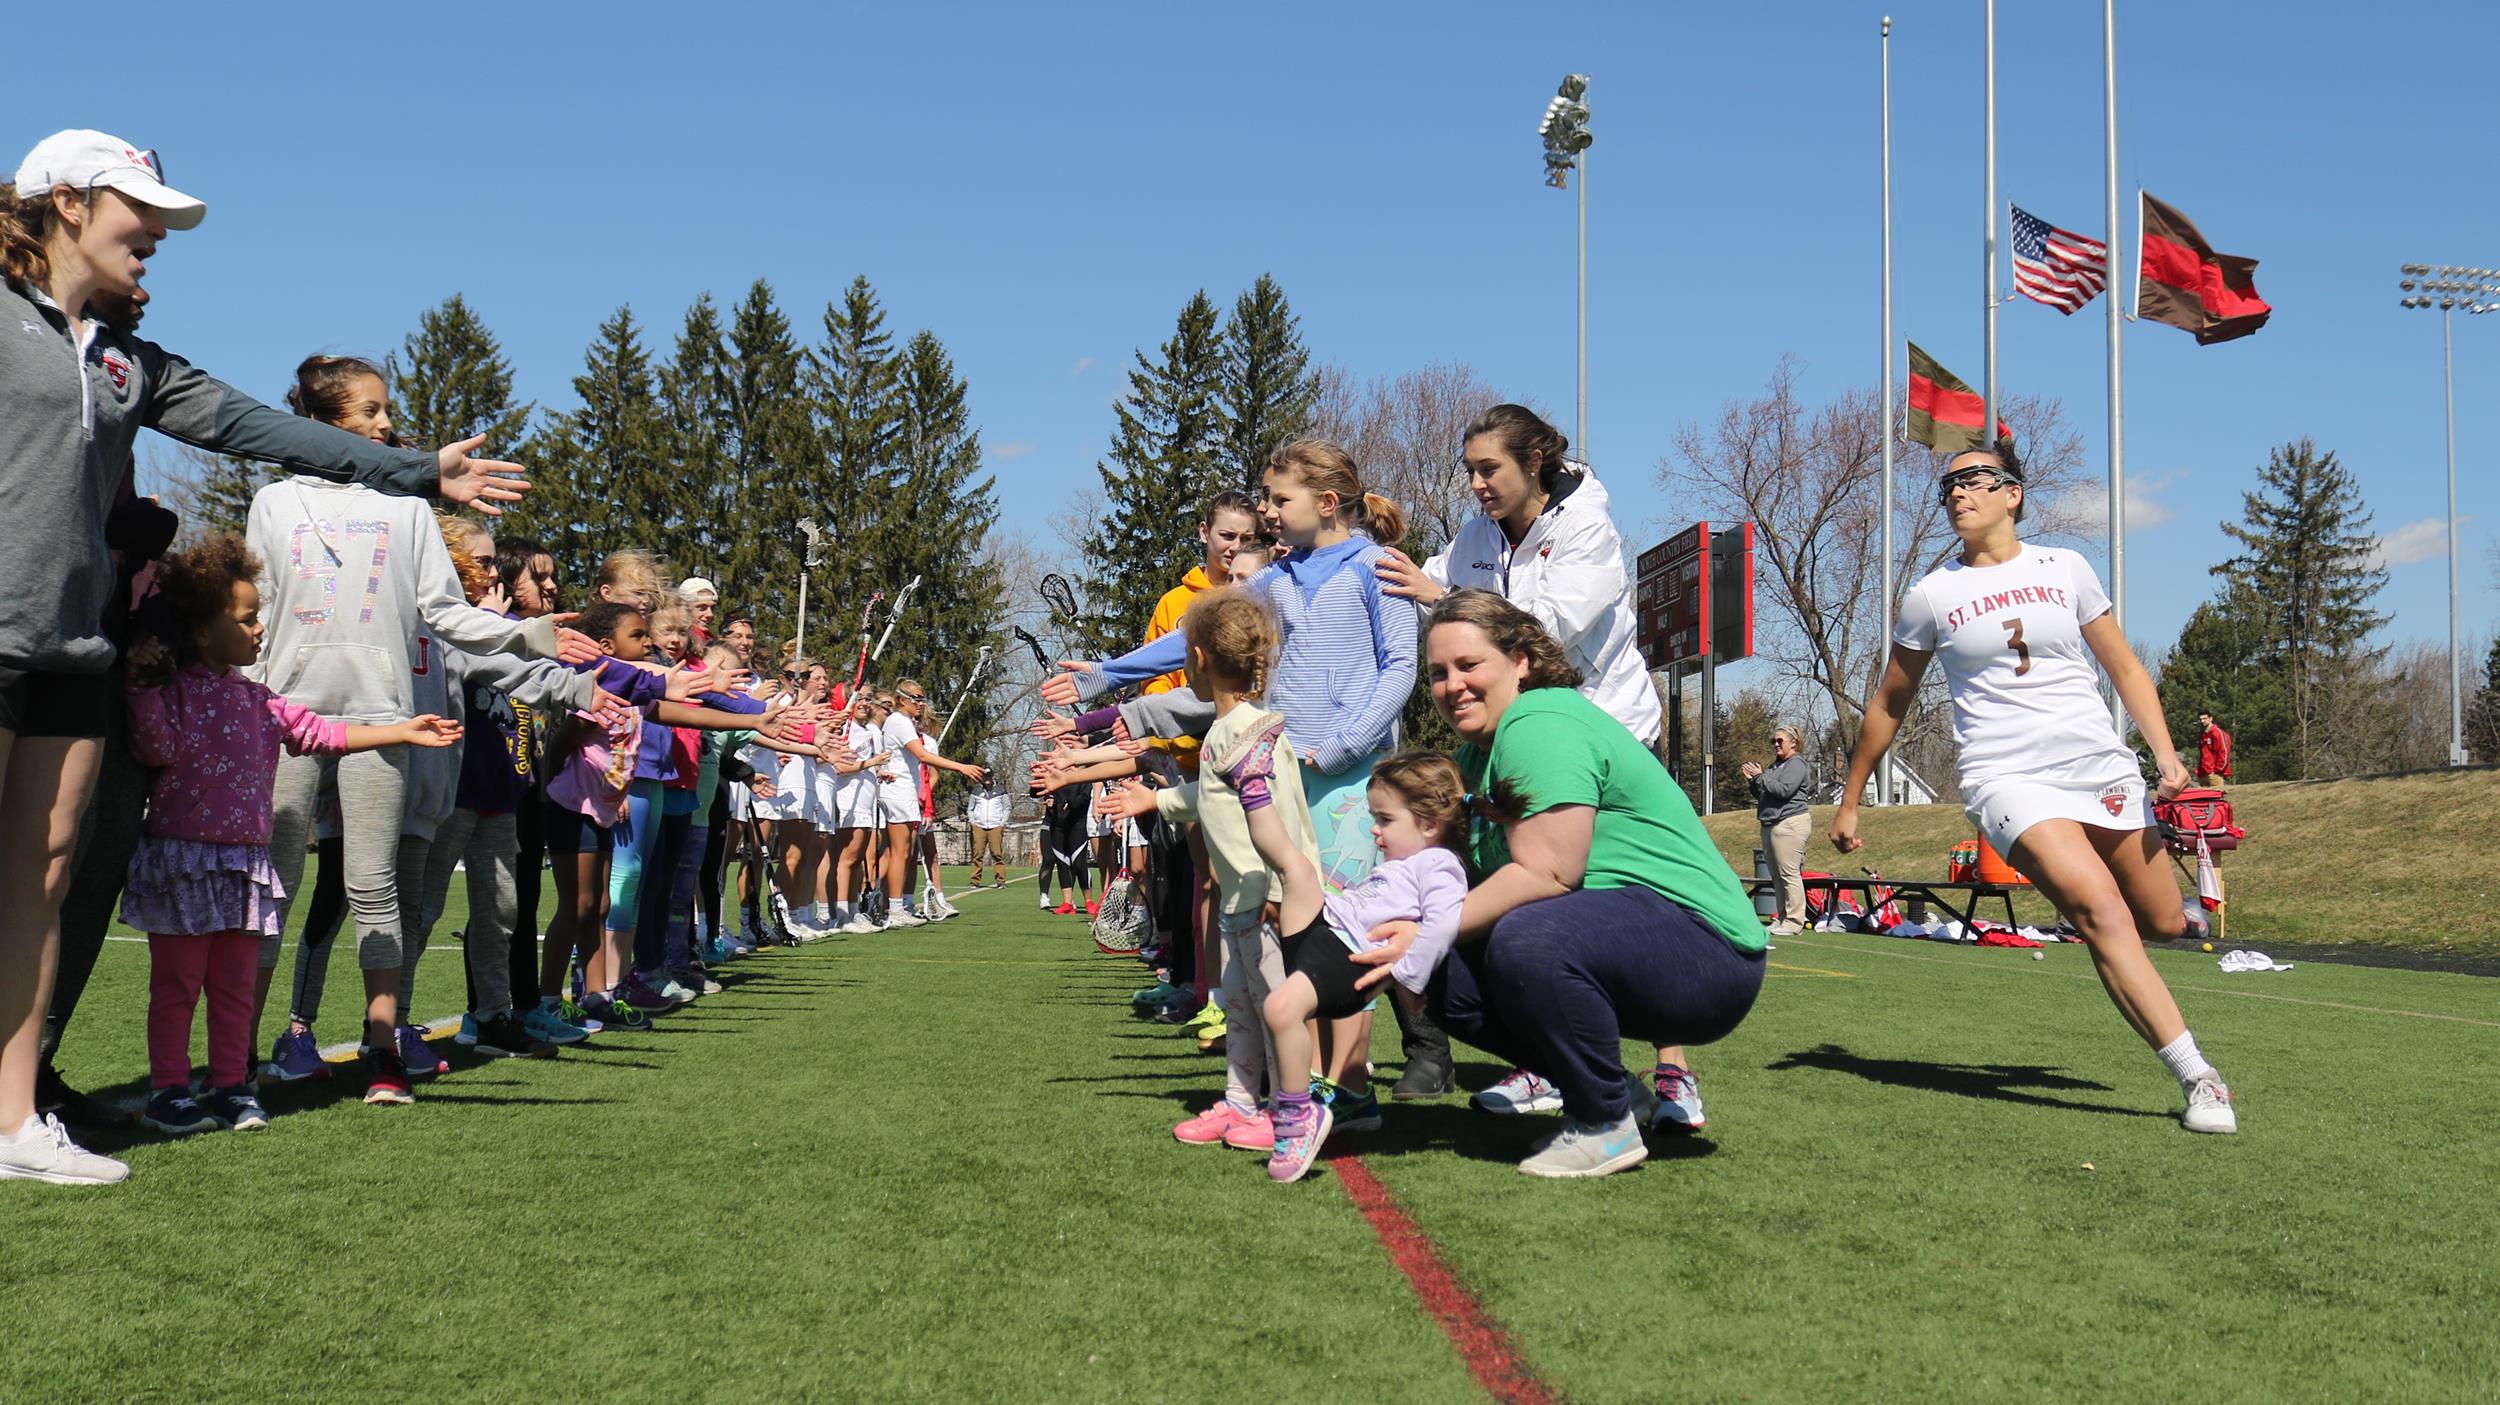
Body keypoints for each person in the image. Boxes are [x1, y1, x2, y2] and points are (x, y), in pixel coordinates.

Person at [0, 131, 522, 1184]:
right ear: (64, 204)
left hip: (73, 647)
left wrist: (414, 469)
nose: (153, 238)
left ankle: (12, 1123)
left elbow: (257, 428)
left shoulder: (124, 360)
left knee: (40, 878)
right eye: (136, 214)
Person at [1831, 445, 2238, 1135]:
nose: (1958, 493)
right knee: (2099, 909)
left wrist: (2167, 756)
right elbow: (1888, 701)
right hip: (2006, 776)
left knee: (2162, 922)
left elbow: (2127, 669)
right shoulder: (1933, 593)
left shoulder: (2066, 568)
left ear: (2012, 493)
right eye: (1948, 485)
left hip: (2098, 767)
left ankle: (2185, 911)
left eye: (1973, 480)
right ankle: (2201, 1076)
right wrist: (1850, 796)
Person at [1359, 591, 1767, 1178]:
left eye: (1470, 665)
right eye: (1438, 673)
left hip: (1709, 952)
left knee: (1525, 936)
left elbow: (1550, 873)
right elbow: (1443, 883)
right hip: (1626, 942)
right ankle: (1615, 1092)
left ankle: (1603, 1125)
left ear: (1521, 660)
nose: (1453, 686)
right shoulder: (1472, 759)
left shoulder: (1539, 720)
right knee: (1441, 973)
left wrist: (1424, 931)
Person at [1373, 403, 1696, 1116]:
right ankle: (1554, 1059)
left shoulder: (1589, 529)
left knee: (1628, 901)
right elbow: (1420, 580)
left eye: (1490, 469)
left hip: (1609, 735)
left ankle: (1673, 1074)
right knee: (1535, 909)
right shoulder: (1476, 536)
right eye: (1470, 472)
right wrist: (1352, 557)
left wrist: (1446, 597)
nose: (1477, 485)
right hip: (1527, 743)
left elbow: (1547, 626)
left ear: (1535, 464)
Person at [122, 535, 460, 1134]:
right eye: (247, 619)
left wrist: (400, 732)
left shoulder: (260, 701)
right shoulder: (169, 693)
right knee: (176, 988)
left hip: (245, 866)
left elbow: (325, 735)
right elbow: (155, 747)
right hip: (182, 863)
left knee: (232, 988)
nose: (259, 630)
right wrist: (142, 689)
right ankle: (168, 1092)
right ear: (201, 632)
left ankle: (232, 1085)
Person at [1097, 588, 1322, 1157]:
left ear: (1196, 658)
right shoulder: (1226, 731)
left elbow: (1286, 820)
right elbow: (1214, 795)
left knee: (1273, 1008)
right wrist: (1157, 803)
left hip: (1267, 902)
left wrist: (1279, 890)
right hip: (1240, 901)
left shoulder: (1253, 730)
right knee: (1242, 1007)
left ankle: (1283, 1108)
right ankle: (1242, 1103)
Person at [1743, 726, 1812, 938]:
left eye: (1780, 740)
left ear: (1793, 743)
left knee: (1789, 873)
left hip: (1789, 822)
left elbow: (1784, 790)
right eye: (1773, 740)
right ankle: (1782, 918)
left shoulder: (1796, 764)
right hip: (1771, 823)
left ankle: (1794, 921)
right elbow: (1764, 791)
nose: (1775, 744)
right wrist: (1753, 780)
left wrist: (1761, 776)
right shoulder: (1776, 765)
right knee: (1776, 875)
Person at [966, 774, 1010, 888]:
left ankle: (1001, 881)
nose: (987, 779)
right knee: (978, 854)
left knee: (996, 854)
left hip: (995, 826)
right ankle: (974, 881)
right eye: (985, 777)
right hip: (979, 826)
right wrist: (972, 821)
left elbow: (1007, 807)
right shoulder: (976, 791)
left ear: (992, 777)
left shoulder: (1001, 790)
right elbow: (970, 808)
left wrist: (1002, 823)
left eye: (988, 776)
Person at [2195, 711, 2232, 789]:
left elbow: (2224, 752)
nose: (2202, 721)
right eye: (2200, 719)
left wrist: (2218, 770)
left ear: (2211, 718)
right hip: (2203, 773)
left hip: (2214, 773)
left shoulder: (2217, 733)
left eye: (2204, 718)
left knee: (2216, 797)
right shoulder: (2202, 734)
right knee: (2203, 799)